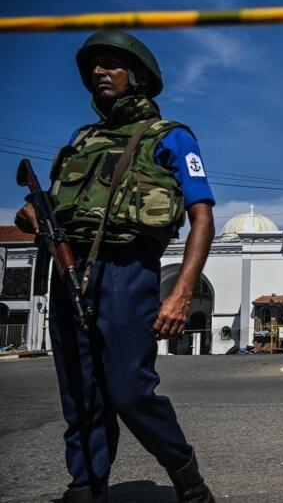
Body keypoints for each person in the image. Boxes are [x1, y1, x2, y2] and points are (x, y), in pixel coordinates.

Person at [15, 30, 216, 503]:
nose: (99, 72)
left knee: (130, 391)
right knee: (81, 393)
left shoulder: (171, 137)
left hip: (128, 273)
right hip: (69, 270)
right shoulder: (81, 140)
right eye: (94, 66)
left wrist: (182, 292)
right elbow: (62, 207)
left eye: (112, 64)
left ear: (139, 77)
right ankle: (87, 484)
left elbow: (202, 216)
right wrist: (31, 217)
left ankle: (187, 479)